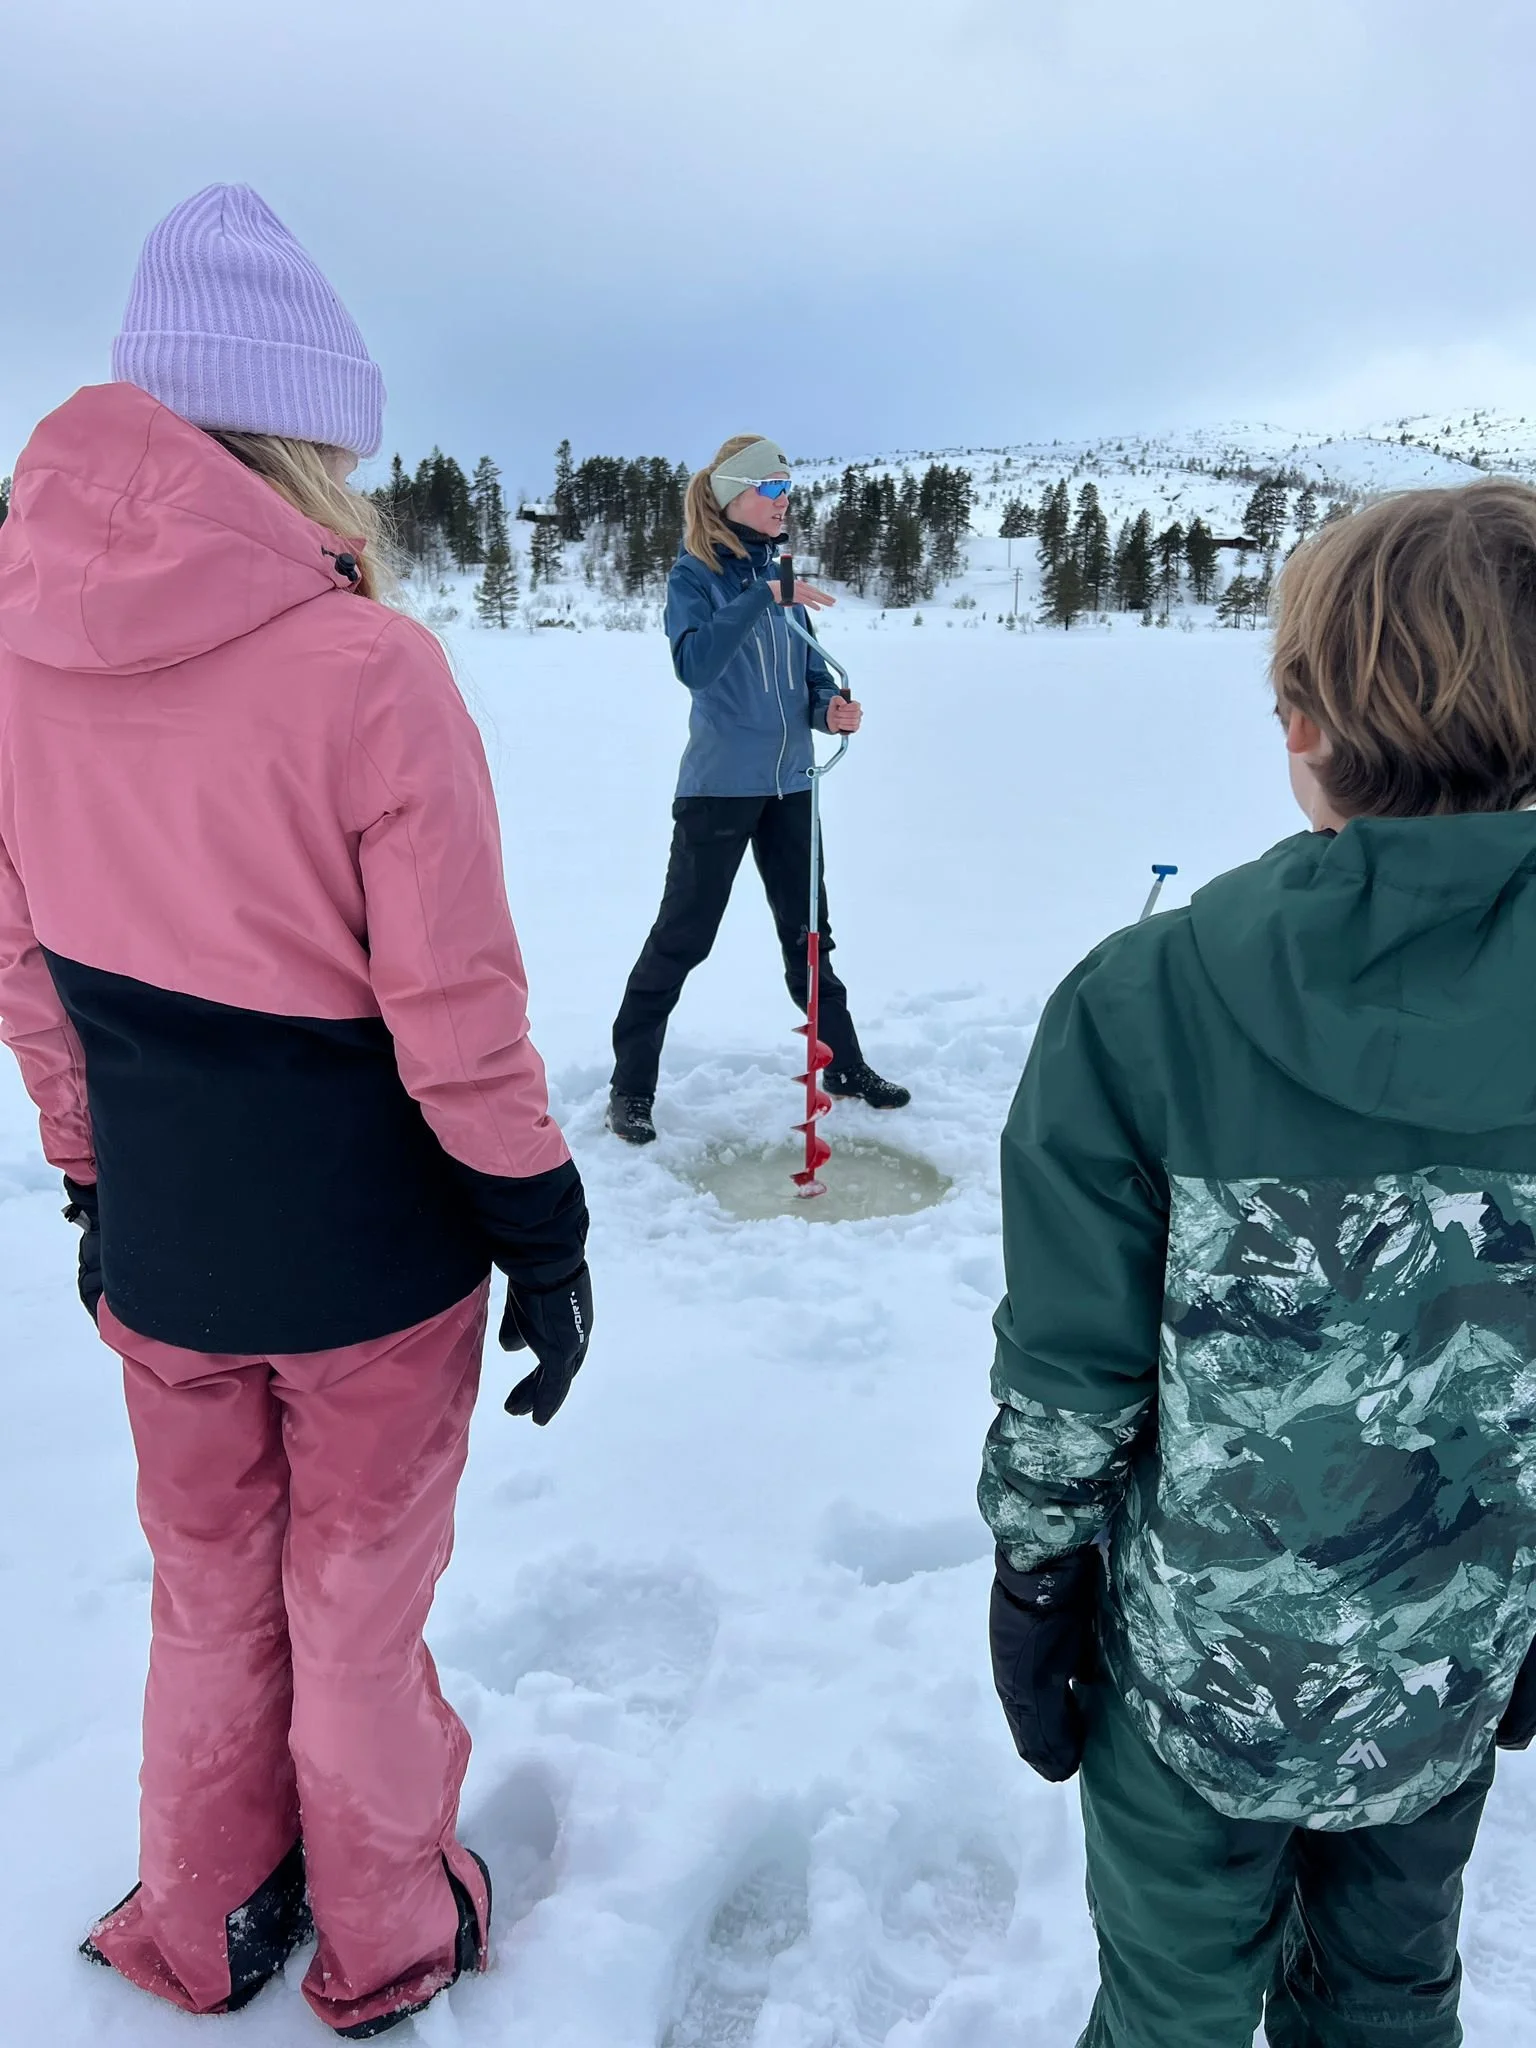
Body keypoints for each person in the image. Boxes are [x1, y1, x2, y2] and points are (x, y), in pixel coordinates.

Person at [0, 185, 592, 2038]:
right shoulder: (368, 668)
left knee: (205, 1588)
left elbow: (23, 965)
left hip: (168, 1236)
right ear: (300, 433)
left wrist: (95, 1174)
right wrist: (542, 1226)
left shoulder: (12, 650)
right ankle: (385, 1925)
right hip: (370, 1253)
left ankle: (201, 1907)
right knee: (349, 1603)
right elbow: (457, 1014)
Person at [980, 480, 1536, 2048]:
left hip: (1198, 1699)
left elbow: (1069, 1378)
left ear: (1304, 727)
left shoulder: (1140, 1003)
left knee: (1171, 2008)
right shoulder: (1142, 1002)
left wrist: (1037, 1574)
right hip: (1447, 1676)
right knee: (1389, 1995)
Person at [606, 434, 908, 1144]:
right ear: (731, 496)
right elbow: (697, 665)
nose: (785, 502)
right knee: (682, 939)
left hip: (793, 788)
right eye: (772, 489)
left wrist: (827, 709)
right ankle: (630, 1088)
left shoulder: (783, 581)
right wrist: (762, 597)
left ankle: (842, 1063)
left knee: (809, 939)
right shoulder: (695, 580)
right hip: (718, 792)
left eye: (787, 490)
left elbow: (806, 681)